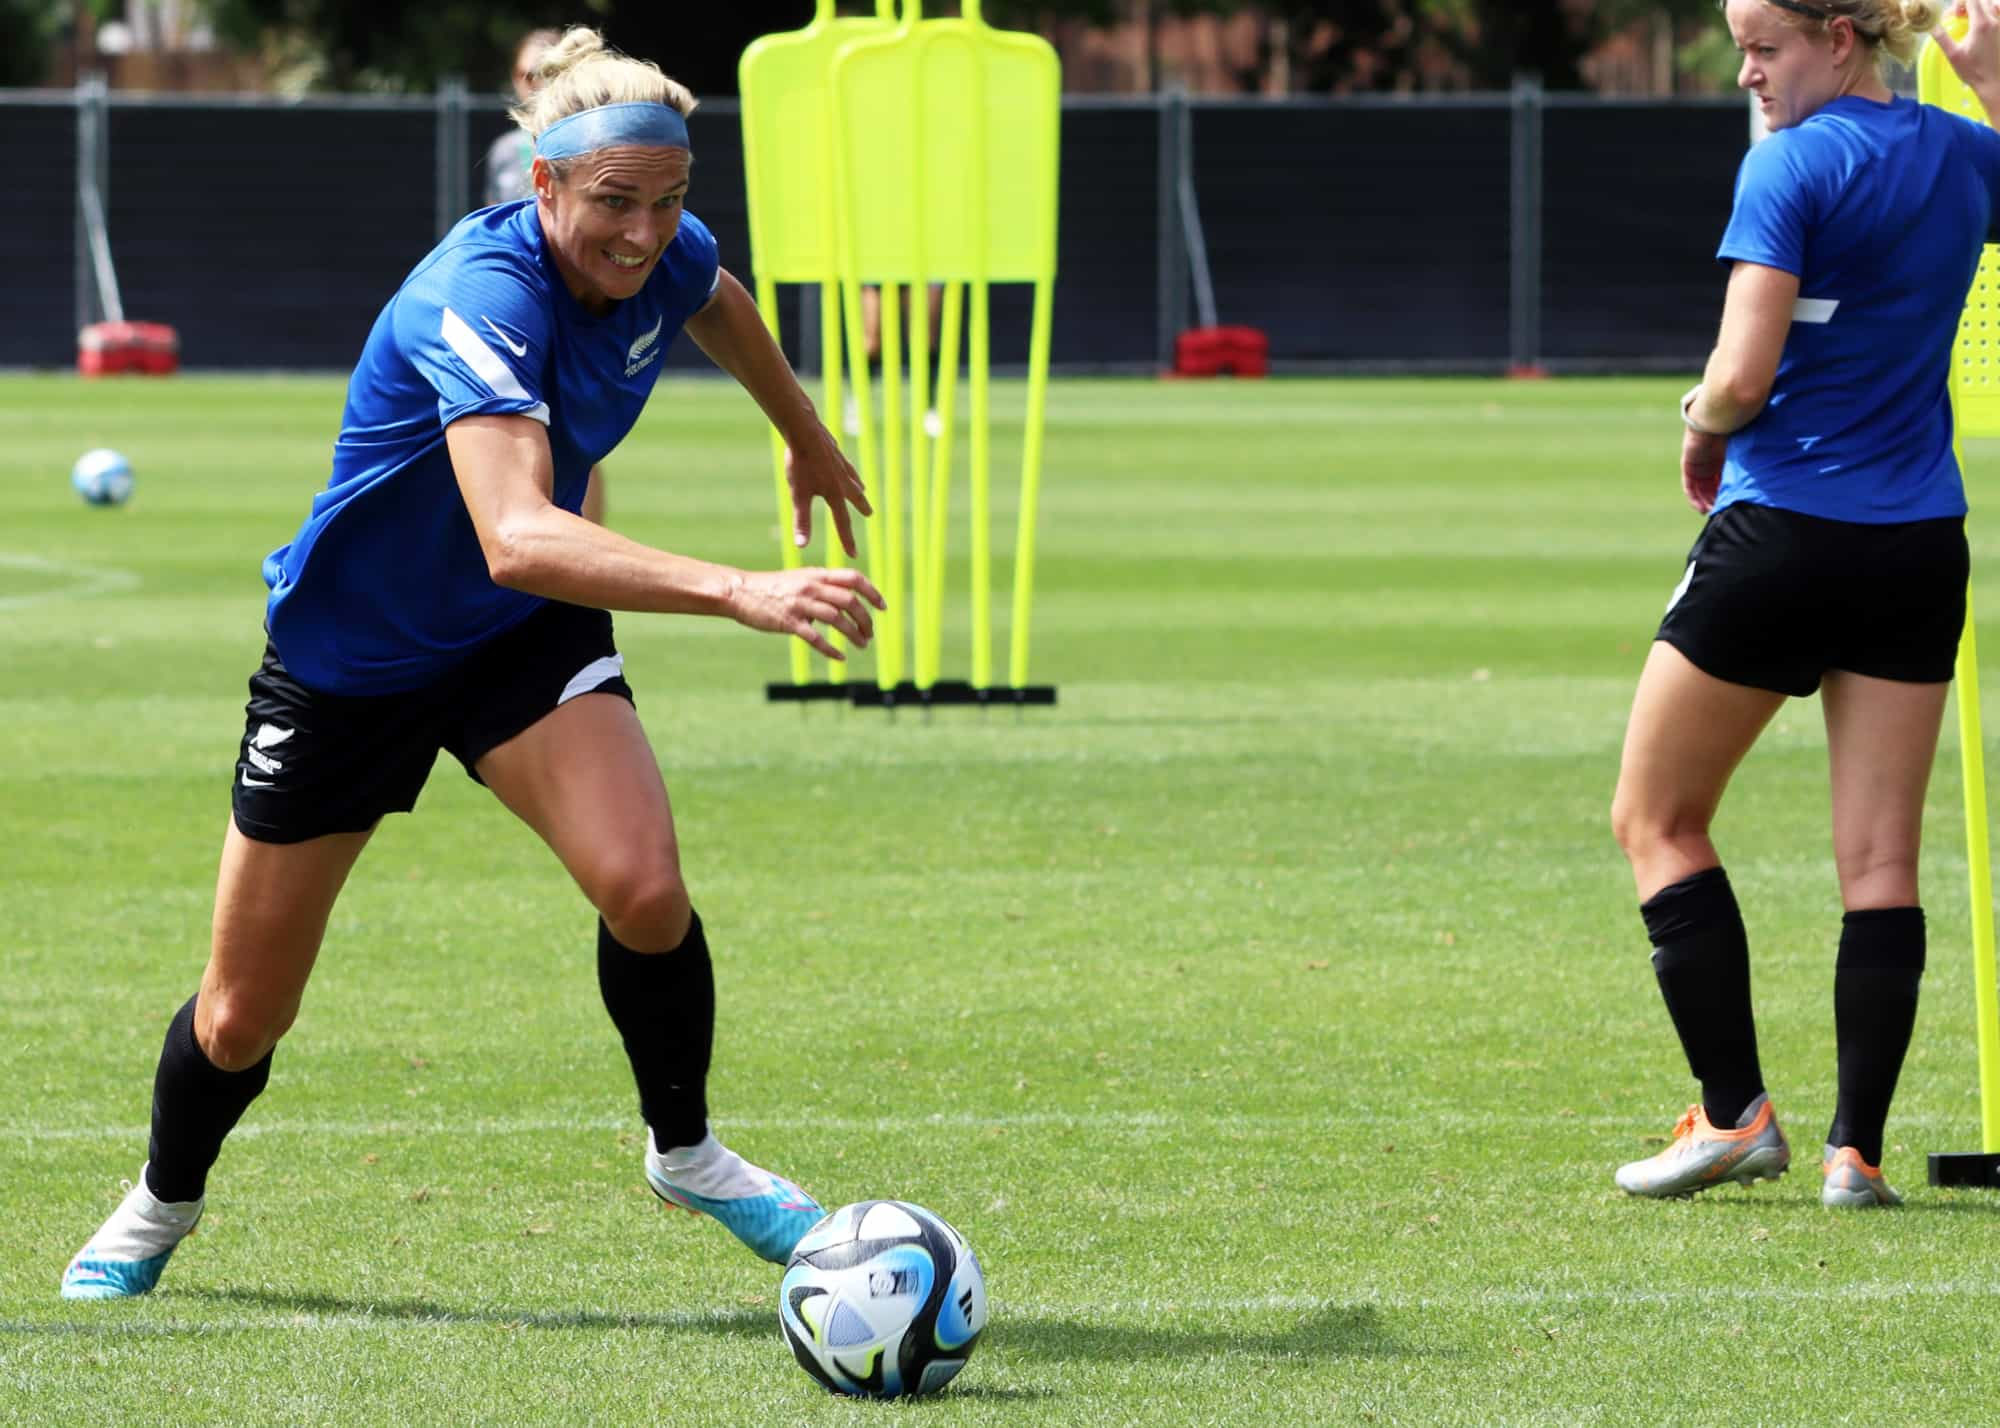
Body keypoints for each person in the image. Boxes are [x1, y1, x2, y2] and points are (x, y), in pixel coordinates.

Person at [60, 26, 883, 1300]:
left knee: (644, 889)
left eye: (667, 202)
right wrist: (740, 589)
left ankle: (688, 1153)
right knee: (240, 1018)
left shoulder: (666, 251)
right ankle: (162, 1202)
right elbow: (518, 534)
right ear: (542, 185)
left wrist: (805, 434)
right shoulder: (478, 292)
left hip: (514, 645)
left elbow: (716, 299)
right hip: (353, 659)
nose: (642, 233)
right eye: (612, 203)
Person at [1608, 0, 2000, 1208]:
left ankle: (1733, 1115)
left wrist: (1694, 422)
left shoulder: (1785, 165)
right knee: (1879, 862)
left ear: (1841, 37)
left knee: (1653, 819)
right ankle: (1855, 1155)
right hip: (1916, 547)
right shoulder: (1960, 153)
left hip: (1780, 537)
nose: (1746, 71)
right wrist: (1988, 78)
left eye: (1765, 46)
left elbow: (1738, 373)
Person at [485, 27, 609, 527]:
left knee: (577, 437)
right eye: (527, 74)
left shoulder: (595, 141)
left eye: (548, 73)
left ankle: (587, 542)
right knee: (507, 427)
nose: (536, 84)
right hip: (517, 302)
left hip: (574, 304)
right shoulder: (502, 149)